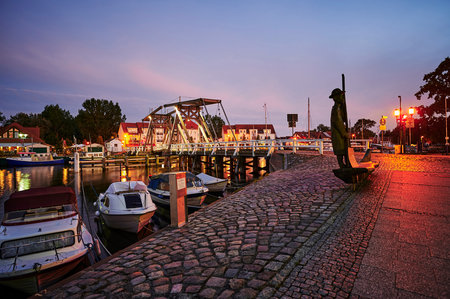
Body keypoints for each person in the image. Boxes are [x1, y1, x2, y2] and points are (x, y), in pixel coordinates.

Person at [329, 88, 350, 168]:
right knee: (340, 149)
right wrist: (344, 133)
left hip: (341, 132)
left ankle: (347, 164)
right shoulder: (335, 109)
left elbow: (343, 118)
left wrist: (343, 106)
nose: (342, 98)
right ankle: (342, 165)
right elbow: (337, 122)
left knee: (345, 149)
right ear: (336, 98)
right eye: (341, 96)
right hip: (339, 134)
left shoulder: (340, 108)